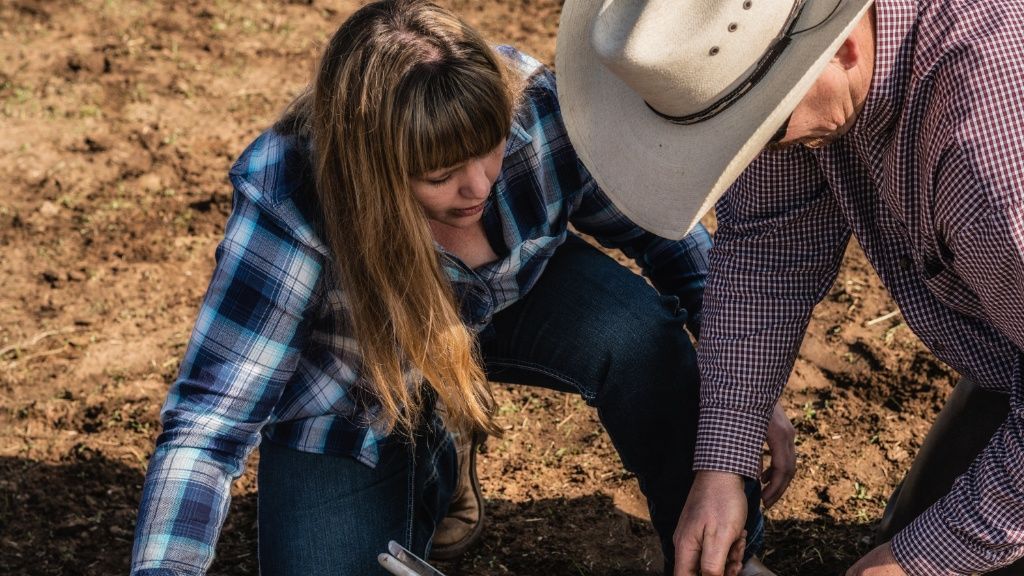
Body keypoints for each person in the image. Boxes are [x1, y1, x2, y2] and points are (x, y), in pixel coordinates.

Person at [128, 1, 777, 574]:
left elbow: (666, 237)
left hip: (516, 297)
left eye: (489, 150)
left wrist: (741, 404)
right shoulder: (290, 197)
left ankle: (718, 559)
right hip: (360, 390)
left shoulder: (536, 107)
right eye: (440, 175)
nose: (478, 187)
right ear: (374, 174)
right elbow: (208, 426)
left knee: (641, 338)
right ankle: (437, 453)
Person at [557, 0, 1024, 574]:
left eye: (763, 128)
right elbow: (768, 245)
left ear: (845, 44)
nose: (755, 150)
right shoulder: (796, 58)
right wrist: (723, 463)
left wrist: (919, 560)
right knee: (914, 533)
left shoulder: (990, 168)